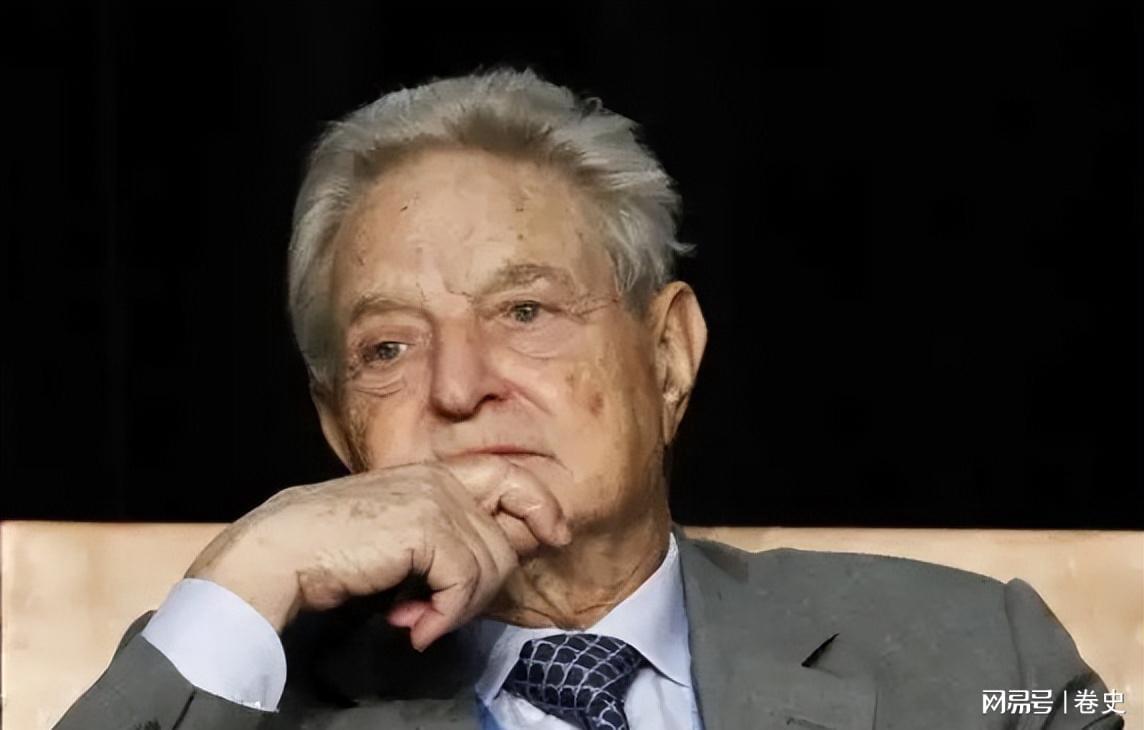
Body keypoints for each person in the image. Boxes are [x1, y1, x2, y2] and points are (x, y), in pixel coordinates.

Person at [58, 68, 1121, 730]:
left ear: (667, 355)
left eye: (524, 310)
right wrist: (255, 564)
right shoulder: (245, 694)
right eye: (389, 347)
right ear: (341, 429)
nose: (460, 387)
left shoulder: (983, 663)